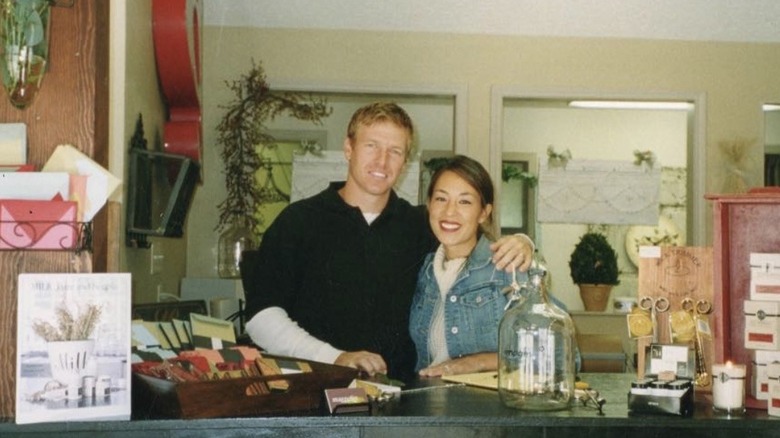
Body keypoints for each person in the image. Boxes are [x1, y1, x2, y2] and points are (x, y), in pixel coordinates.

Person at [241, 102, 533, 382]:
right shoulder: (298, 222)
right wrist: (334, 357)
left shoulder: (421, 225)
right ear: (348, 148)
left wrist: (523, 243)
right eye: (372, 146)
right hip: (316, 399)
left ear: (405, 161)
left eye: (394, 151)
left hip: (401, 405)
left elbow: (474, 244)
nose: (382, 161)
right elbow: (261, 318)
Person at [410, 155, 574, 377]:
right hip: (431, 405)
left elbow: (563, 354)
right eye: (441, 199)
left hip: (489, 408)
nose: (450, 211)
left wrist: (474, 363)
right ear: (429, 205)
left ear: (484, 212)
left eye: (465, 201)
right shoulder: (424, 271)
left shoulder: (507, 267)